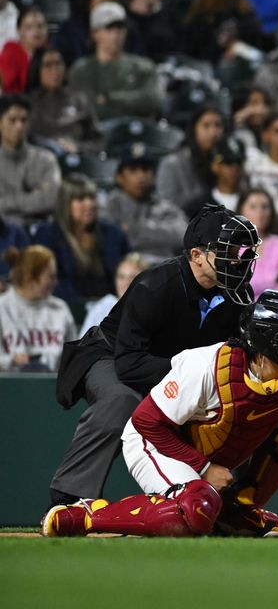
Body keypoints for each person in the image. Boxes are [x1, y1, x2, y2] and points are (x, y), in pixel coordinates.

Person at [41, 290, 278, 538]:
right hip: (156, 444)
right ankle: (88, 516)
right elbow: (145, 423)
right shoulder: (208, 366)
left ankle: (240, 511)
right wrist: (203, 469)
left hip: (209, 450)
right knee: (194, 513)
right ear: (268, 342)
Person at [47, 204, 259, 507]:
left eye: (239, 252)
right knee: (122, 402)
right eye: (226, 251)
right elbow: (130, 364)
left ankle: (227, 504)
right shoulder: (156, 284)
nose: (237, 261)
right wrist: (192, 378)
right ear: (196, 256)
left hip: (173, 366)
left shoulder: (237, 293)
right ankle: (67, 499)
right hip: (112, 355)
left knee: (230, 405)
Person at [35, 175, 131, 303]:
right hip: (64, 307)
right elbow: (48, 280)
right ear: (65, 204)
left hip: (111, 308)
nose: (89, 204)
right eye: (80, 199)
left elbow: (130, 269)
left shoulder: (113, 234)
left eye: (92, 198)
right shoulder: (48, 235)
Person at [66, 3, 162, 122]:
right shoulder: (81, 69)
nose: (116, 34)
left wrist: (109, 97)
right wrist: (135, 106)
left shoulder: (143, 66)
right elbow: (89, 108)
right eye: (109, 28)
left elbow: (154, 100)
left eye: (120, 28)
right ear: (95, 33)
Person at [103, 143, 189, 261]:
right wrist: (158, 232)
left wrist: (132, 229)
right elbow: (108, 242)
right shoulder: (111, 205)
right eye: (133, 170)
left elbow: (182, 236)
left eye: (145, 169)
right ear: (119, 177)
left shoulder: (165, 207)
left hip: (162, 270)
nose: (141, 176)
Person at [0, 245, 74, 372]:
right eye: (50, 277)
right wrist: (11, 360)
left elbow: (74, 359)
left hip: (53, 386)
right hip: (9, 387)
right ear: (31, 279)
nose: (55, 282)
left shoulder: (60, 309)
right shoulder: (3, 307)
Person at [181, 0, 266, 64]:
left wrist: (236, 47)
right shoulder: (199, 20)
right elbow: (196, 56)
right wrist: (220, 46)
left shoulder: (245, 11)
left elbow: (256, 45)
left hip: (246, 68)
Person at [0, 94, 62, 227]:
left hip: (39, 230)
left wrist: (6, 202)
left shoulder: (46, 159)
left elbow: (51, 199)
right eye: (12, 120)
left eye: (23, 120)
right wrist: (32, 196)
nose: (19, 126)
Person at [27, 47, 102, 154]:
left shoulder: (79, 100)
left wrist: (78, 148)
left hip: (75, 160)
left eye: (58, 64)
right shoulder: (27, 104)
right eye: (48, 65)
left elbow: (99, 141)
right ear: (37, 69)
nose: (54, 70)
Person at [156, 105, 225, 211]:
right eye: (206, 126)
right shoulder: (172, 164)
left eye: (217, 125)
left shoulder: (228, 162)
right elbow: (166, 206)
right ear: (194, 129)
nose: (213, 132)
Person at [237, 188, 278, 296]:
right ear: (241, 210)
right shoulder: (231, 248)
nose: (260, 212)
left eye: (264, 207)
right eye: (253, 206)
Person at [81, 253, 149, 335]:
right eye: (121, 277)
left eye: (132, 277)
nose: (126, 283)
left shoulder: (154, 309)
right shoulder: (103, 307)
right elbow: (82, 344)